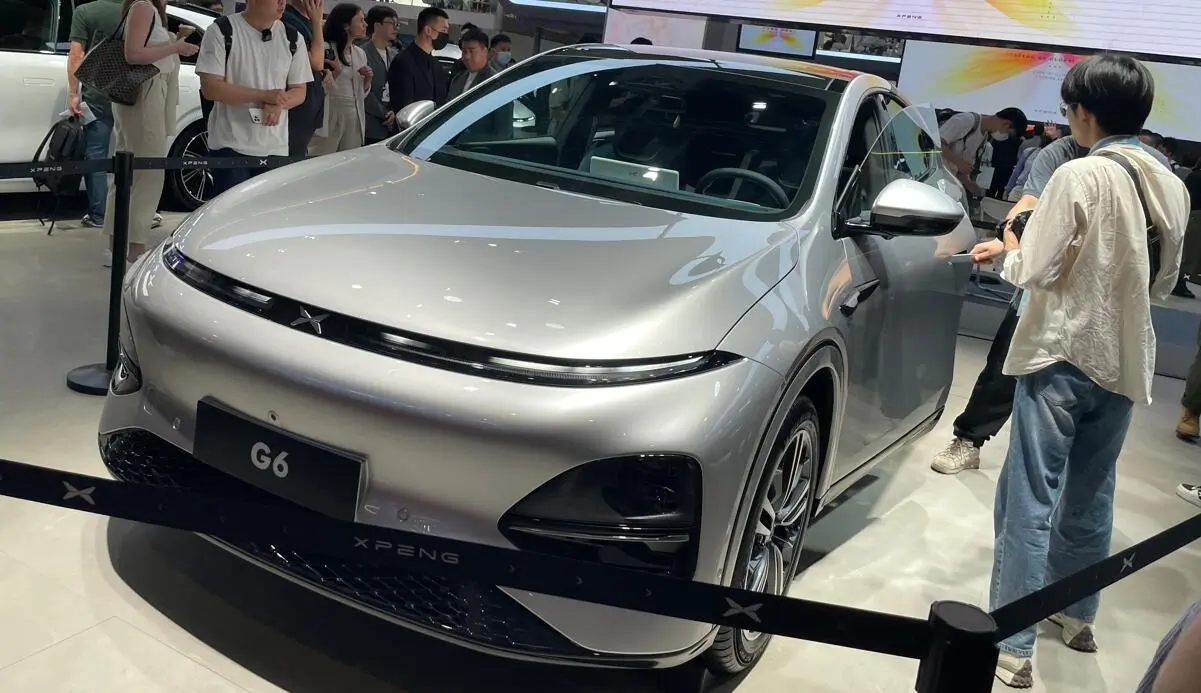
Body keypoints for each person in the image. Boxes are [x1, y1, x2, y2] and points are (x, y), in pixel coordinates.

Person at [976, 54, 1188, 688]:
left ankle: (1013, 642)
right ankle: (1078, 615)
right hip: (1124, 361)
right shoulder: (1170, 182)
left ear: (1084, 113)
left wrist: (1011, 243)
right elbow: (1164, 284)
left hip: (1060, 355)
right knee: (1093, 492)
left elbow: (1032, 271)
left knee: (1028, 498)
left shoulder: (1079, 174)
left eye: (1068, 108)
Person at [930, 122, 1173, 475]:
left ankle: (1070, 474)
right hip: (1048, 288)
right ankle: (970, 439)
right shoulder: (1061, 153)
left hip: (1112, 301)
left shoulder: (1150, 167)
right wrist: (1006, 239)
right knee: (1005, 368)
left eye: (1069, 109)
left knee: (1092, 414)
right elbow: (1028, 208)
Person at [102, 0, 195, 264]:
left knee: (131, 171)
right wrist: (176, 46)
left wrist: (174, 41)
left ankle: (119, 245)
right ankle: (134, 247)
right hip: (146, 91)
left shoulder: (148, 9)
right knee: (147, 171)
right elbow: (133, 55)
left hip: (146, 91)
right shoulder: (143, 7)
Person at [196, 0, 313, 195]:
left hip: (276, 147)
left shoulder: (293, 38)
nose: (282, 3)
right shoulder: (221, 30)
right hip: (230, 145)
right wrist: (265, 96)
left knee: (267, 212)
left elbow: (299, 90)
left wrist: (279, 103)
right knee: (231, 210)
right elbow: (211, 88)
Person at [67, 0, 123, 231]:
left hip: (97, 93)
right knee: (134, 154)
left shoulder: (86, 11)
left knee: (97, 153)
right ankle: (136, 212)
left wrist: (73, 93)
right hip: (132, 93)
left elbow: (76, 54)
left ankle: (99, 214)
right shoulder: (139, 9)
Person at [308, 3, 370, 154]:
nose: (365, 24)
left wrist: (367, 81)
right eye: (360, 20)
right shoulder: (326, 49)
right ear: (346, 25)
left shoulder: (360, 53)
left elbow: (359, 93)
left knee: (349, 159)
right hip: (331, 111)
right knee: (323, 157)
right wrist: (336, 72)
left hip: (354, 114)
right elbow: (316, 87)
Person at [939, 107, 1028, 198]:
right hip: (938, 180)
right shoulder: (967, 120)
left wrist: (969, 184)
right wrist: (958, 162)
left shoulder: (984, 137)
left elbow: (959, 168)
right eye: (1009, 134)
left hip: (949, 185)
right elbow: (936, 145)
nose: (1006, 137)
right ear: (1006, 124)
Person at [280, 0, 328, 157]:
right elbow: (316, 62)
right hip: (295, 106)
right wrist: (317, 22)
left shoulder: (304, 21)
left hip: (308, 104)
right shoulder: (287, 20)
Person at [387, 7, 449, 112]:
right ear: (428, 30)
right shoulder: (402, 62)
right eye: (444, 30)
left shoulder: (436, 64)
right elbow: (403, 107)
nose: (446, 35)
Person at [359, 5, 398, 144]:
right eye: (392, 23)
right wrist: (383, 113)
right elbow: (362, 89)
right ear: (377, 25)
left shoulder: (394, 54)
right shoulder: (362, 52)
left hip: (391, 124)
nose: (396, 28)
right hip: (368, 122)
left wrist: (394, 110)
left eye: (397, 24)